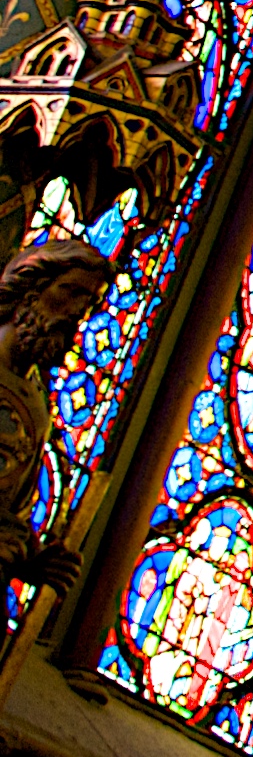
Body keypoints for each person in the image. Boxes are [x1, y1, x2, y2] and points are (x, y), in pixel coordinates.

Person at [0, 238, 116, 585]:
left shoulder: (35, 406)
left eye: (90, 303)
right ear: (29, 288)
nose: (77, 313)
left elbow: (9, 514)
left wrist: (31, 560)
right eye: (71, 291)